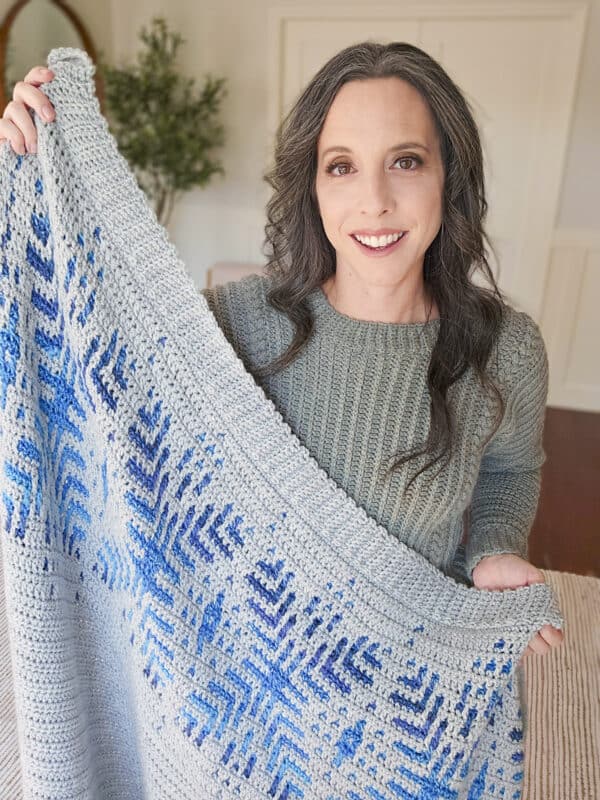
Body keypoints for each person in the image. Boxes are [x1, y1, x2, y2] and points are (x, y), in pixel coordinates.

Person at [1, 41, 564, 663]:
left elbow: (511, 472)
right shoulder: (237, 323)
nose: (374, 200)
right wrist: (30, 175)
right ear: (313, 187)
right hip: (252, 674)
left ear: (448, 176)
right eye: (341, 166)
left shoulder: (506, 349)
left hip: (412, 668)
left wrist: (494, 550)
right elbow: (82, 358)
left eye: (405, 161)